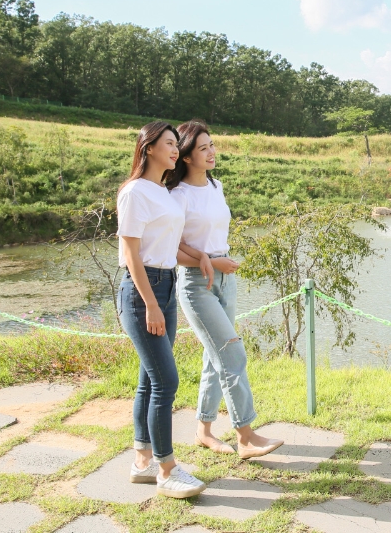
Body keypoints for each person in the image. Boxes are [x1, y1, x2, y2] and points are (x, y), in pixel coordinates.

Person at [169, 120, 284, 459]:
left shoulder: (215, 185)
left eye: (212, 145)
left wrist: (221, 262)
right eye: (203, 148)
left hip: (225, 280)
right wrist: (210, 261)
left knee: (214, 356)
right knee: (232, 353)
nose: (211, 152)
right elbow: (170, 249)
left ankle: (203, 431)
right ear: (186, 156)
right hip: (197, 284)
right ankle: (245, 436)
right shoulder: (177, 195)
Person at [117, 121, 206, 499]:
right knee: (166, 382)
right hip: (144, 291)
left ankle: (143, 462)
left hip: (166, 283)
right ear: (148, 147)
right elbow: (130, 253)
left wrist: (202, 257)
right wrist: (151, 304)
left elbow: (171, 244)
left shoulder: (163, 192)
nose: (174, 149)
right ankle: (167, 470)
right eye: (168, 143)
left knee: (149, 379)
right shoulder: (135, 192)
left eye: (176, 144)